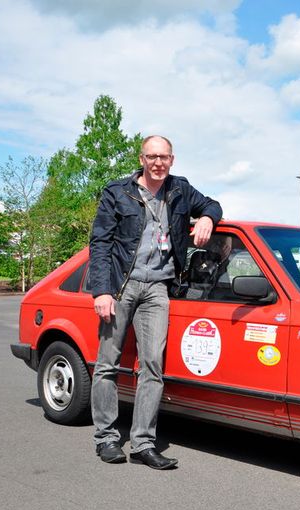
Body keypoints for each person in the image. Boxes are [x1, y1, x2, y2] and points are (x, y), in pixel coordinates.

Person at [88, 135, 222, 469]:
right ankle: (106, 439)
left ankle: (143, 443)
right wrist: (102, 290)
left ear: (172, 160)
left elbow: (212, 205)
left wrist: (206, 218)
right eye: (152, 157)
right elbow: (100, 242)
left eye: (164, 157)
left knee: (152, 366)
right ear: (142, 159)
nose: (158, 163)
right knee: (108, 364)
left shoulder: (180, 189)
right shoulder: (117, 192)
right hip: (121, 286)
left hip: (158, 288)